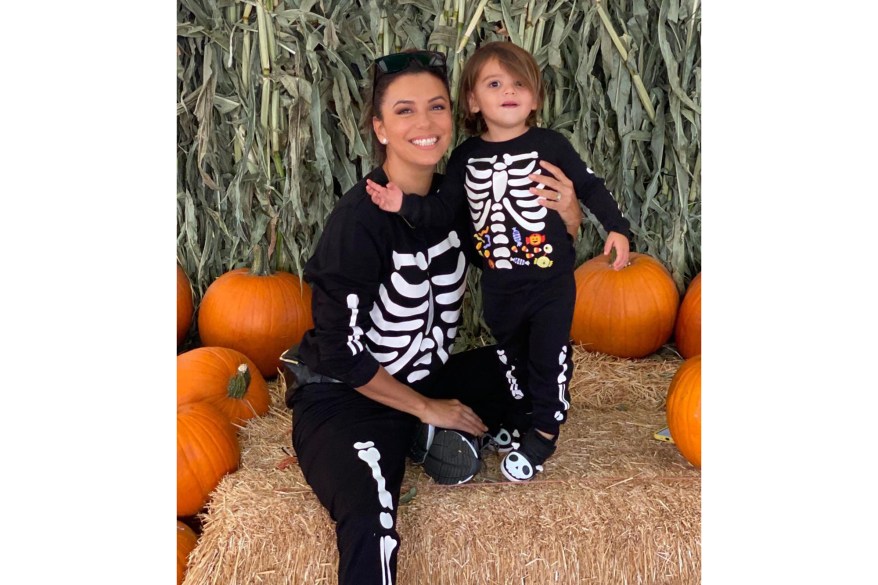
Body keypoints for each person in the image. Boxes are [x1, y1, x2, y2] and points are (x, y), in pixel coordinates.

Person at [279, 49, 586, 585]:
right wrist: (430, 407)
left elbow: (524, 267)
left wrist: (570, 216)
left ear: (455, 114)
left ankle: (419, 432)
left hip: (426, 372)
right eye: (404, 111)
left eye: (436, 106)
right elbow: (341, 354)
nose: (424, 123)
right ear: (379, 128)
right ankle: (416, 427)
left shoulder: (457, 198)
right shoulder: (357, 223)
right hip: (347, 395)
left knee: (537, 369)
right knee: (373, 514)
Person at [366, 41, 632, 484]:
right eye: (494, 83)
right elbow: (444, 212)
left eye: (520, 83)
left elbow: (590, 185)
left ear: (535, 97)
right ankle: (525, 415)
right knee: (514, 358)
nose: (509, 91)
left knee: (547, 357)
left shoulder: (550, 144)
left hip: (550, 281)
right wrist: (404, 205)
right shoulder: (465, 158)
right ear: (472, 100)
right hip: (500, 284)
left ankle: (544, 433)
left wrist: (617, 227)